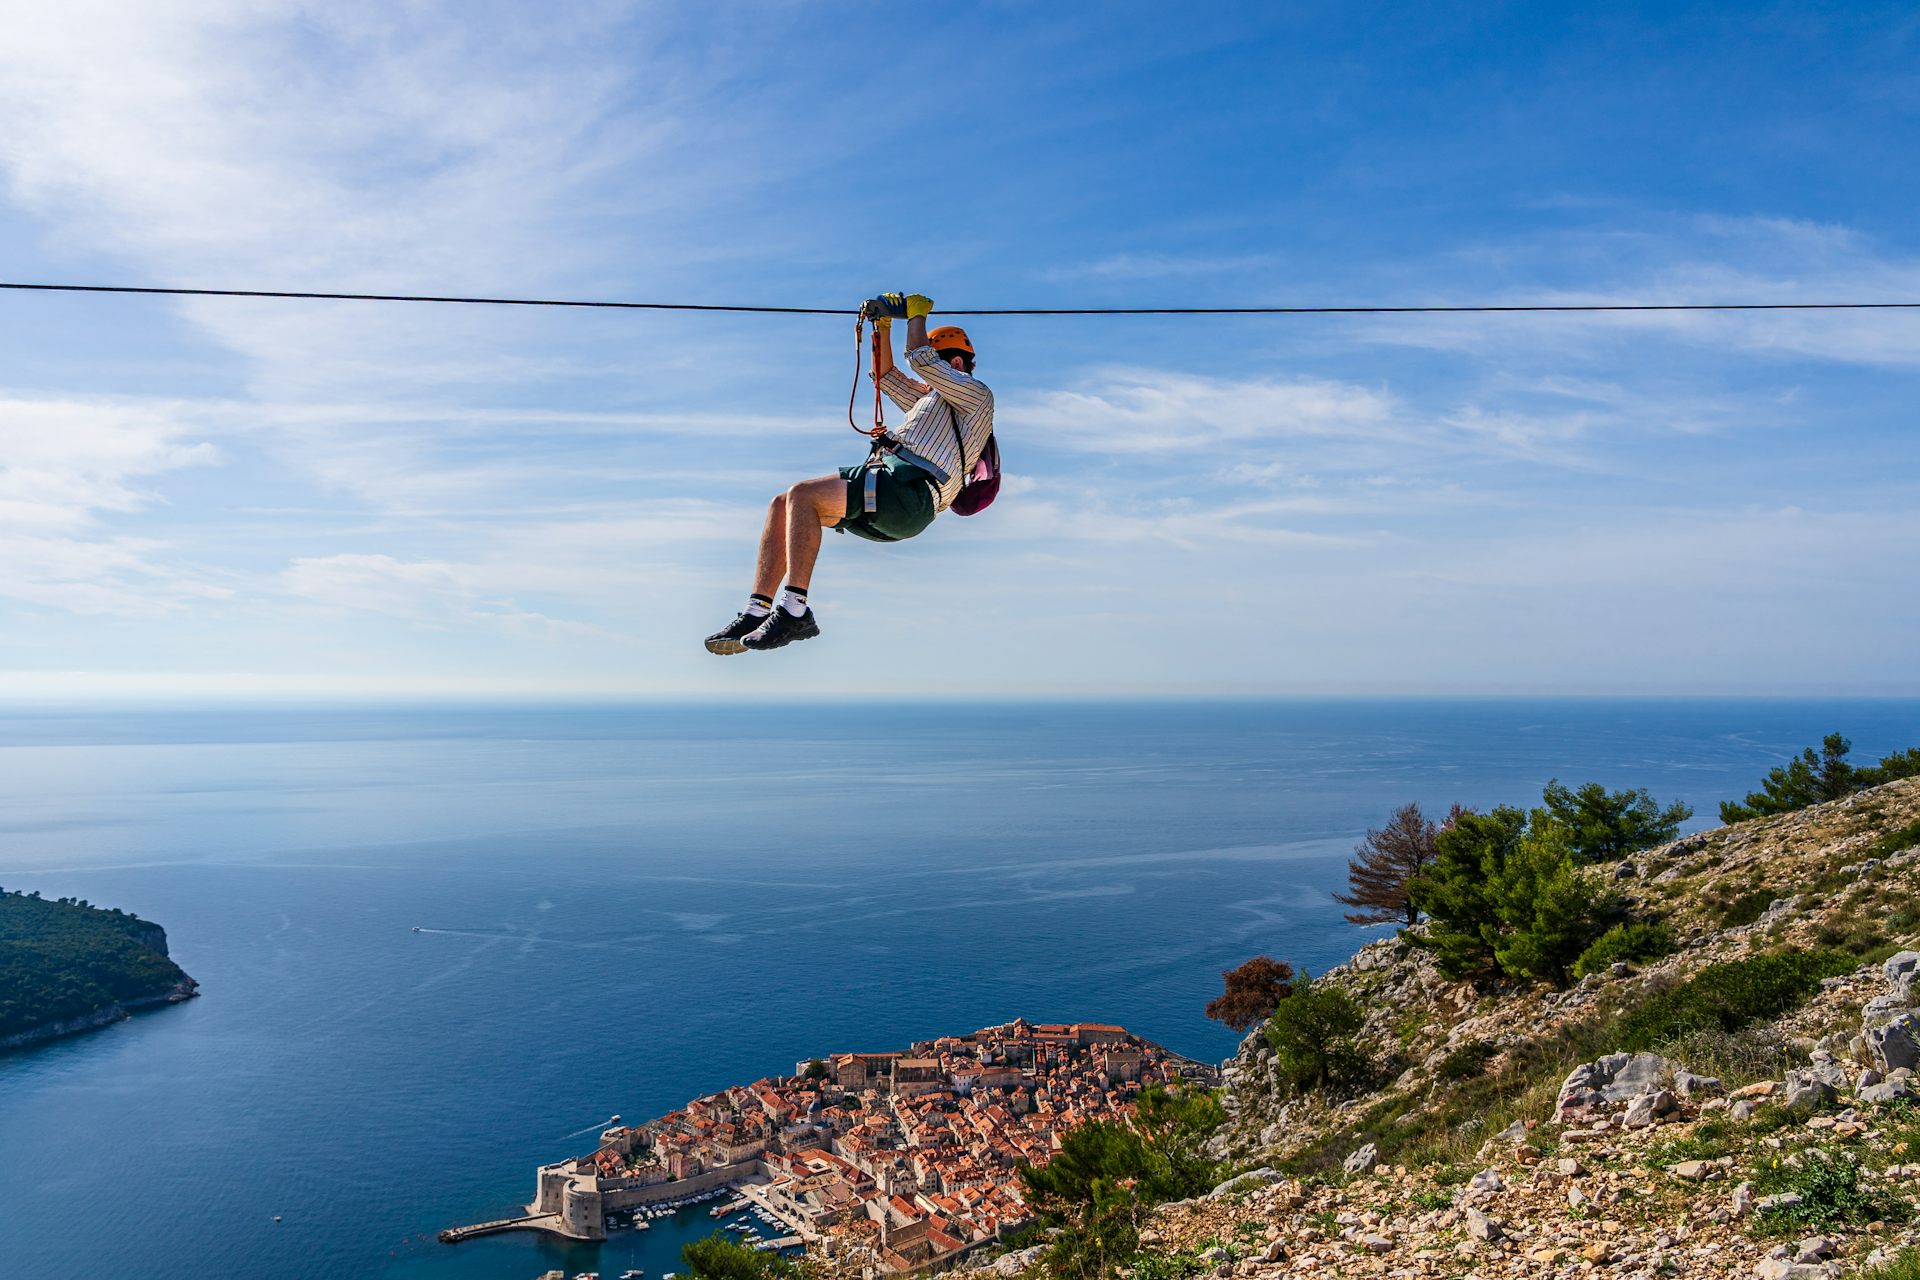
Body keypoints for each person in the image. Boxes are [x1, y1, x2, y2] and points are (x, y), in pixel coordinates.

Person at [704, 292, 995, 654]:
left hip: (910, 491)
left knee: (802, 494)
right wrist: (884, 325)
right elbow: (886, 375)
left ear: (954, 362)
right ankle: (756, 608)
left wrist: (915, 315)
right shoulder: (930, 401)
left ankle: (795, 609)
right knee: (783, 504)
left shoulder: (975, 396)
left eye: (939, 362)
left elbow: (921, 361)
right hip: (898, 494)